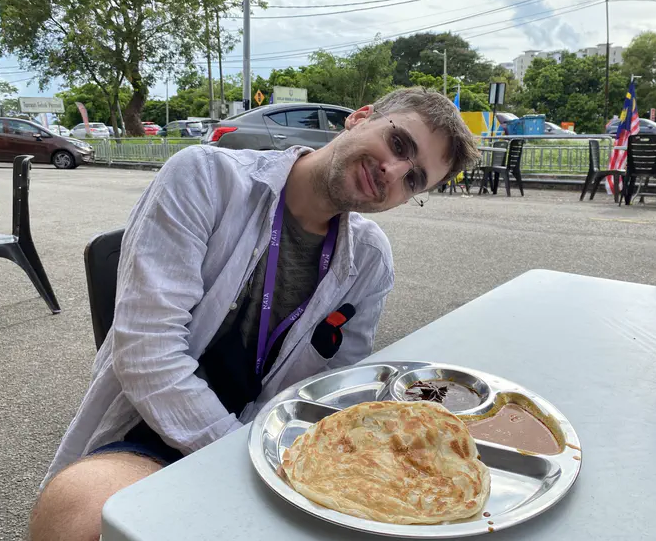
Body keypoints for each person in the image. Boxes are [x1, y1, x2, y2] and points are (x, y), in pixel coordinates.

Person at [28, 87, 479, 541]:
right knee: (80, 511)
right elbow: (148, 352)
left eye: (415, 179)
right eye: (399, 144)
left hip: (286, 452)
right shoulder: (206, 177)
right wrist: (245, 456)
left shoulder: (369, 260)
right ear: (360, 118)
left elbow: (334, 390)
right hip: (153, 435)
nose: (393, 170)